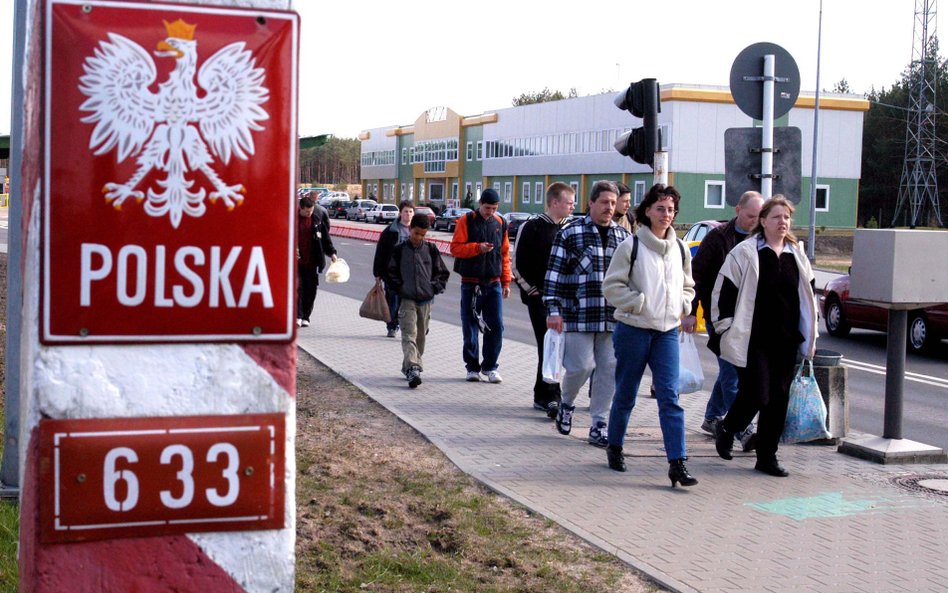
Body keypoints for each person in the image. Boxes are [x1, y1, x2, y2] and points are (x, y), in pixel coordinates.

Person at [711, 196, 818, 477]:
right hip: (752, 337)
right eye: (776, 217)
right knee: (758, 393)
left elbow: (808, 298)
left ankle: (767, 456)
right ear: (763, 221)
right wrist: (724, 326)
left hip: (786, 337)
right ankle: (728, 427)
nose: (782, 222)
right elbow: (724, 291)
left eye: (786, 217)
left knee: (779, 397)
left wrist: (811, 337)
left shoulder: (796, 254)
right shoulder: (746, 252)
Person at [601, 184, 698, 487]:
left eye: (670, 209)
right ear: (647, 211)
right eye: (660, 208)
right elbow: (612, 286)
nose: (666, 214)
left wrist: (683, 304)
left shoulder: (681, 248)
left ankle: (677, 463)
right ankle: (615, 446)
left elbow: (688, 285)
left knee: (670, 397)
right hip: (634, 330)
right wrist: (638, 303)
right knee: (627, 393)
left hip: (667, 332)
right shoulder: (631, 247)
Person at [544, 180, 630, 447]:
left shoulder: (624, 238)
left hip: (613, 317)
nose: (609, 208)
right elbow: (554, 274)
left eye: (613, 203)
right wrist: (553, 309)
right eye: (604, 202)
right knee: (581, 366)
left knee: (609, 369)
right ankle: (567, 404)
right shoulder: (570, 233)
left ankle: (599, 423)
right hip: (578, 314)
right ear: (591, 203)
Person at [683, 191, 765, 449]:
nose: (755, 221)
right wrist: (689, 311)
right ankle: (742, 429)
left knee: (731, 370)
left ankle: (712, 417)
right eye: (751, 215)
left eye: (759, 216)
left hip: (751, 318)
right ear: (738, 209)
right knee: (733, 373)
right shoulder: (717, 238)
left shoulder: (761, 240)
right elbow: (696, 276)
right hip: (720, 317)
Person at [512, 182, 576, 418]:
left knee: (561, 346)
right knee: (547, 342)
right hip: (539, 298)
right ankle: (550, 396)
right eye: (569, 202)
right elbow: (517, 263)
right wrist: (531, 290)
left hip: (565, 299)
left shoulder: (571, 229)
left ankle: (544, 392)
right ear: (554, 202)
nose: (572, 206)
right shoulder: (532, 227)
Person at [450, 188, 512, 383]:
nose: (490, 212)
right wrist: (477, 248)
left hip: (493, 283)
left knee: (497, 325)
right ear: (480, 204)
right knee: (470, 326)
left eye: (494, 208)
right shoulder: (466, 221)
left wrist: (506, 281)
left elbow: (504, 254)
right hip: (470, 283)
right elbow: (455, 248)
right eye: (487, 208)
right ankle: (472, 367)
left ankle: (490, 367)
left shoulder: (500, 223)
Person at [385, 213, 450, 388]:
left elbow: (442, 273)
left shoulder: (431, 249)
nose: (418, 238)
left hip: (426, 300)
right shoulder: (399, 250)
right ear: (410, 229)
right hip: (407, 299)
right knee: (409, 334)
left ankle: (408, 365)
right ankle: (414, 368)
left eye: (422, 234)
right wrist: (399, 288)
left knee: (421, 337)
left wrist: (434, 287)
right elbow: (390, 273)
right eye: (416, 234)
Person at [373, 200, 415, 337]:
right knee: (393, 301)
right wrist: (378, 273)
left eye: (410, 212)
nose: (408, 215)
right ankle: (392, 325)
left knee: (408, 303)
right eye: (405, 211)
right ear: (400, 213)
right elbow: (380, 252)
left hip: (410, 274)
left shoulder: (416, 231)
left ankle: (406, 326)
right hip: (392, 274)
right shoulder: (391, 231)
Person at [297, 196, 337, 328]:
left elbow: (325, 240)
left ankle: (306, 317)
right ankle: (298, 315)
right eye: (307, 211)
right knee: (298, 289)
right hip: (296, 263)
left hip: (312, 262)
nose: (309, 214)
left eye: (311, 211)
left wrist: (332, 253)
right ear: (301, 209)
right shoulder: (293, 221)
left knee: (311, 290)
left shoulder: (317, 221)